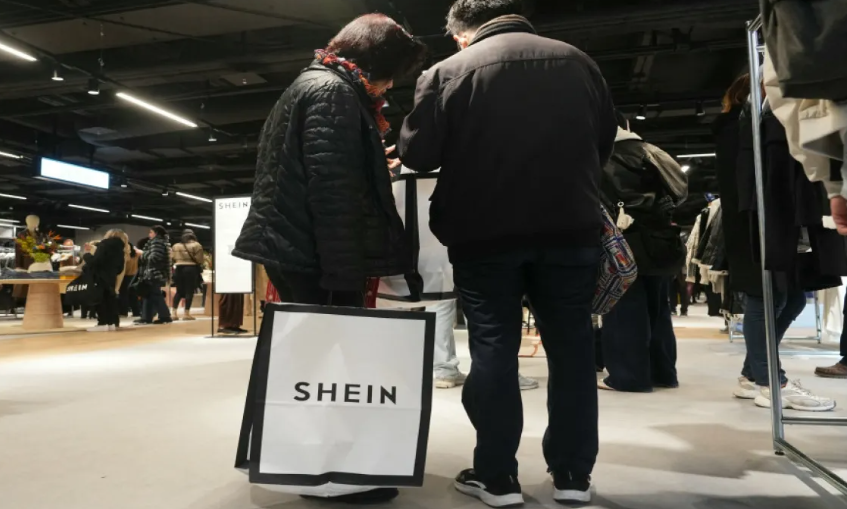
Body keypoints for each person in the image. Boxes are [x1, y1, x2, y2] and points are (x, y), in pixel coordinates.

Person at [396, 1, 617, 505]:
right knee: (573, 350)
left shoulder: (449, 71)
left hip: (484, 232)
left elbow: (417, 154)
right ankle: (572, 477)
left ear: (461, 34)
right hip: (570, 227)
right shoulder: (579, 61)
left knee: (494, 346)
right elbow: (602, 142)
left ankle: (497, 477)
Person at [232, 13, 426, 505]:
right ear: (376, 62)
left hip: (299, 246)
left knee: (308, 362)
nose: (389, 86)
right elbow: (332, 192)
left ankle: (306, 463)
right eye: (391, 75)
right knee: (328, 369)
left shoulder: (314, 84)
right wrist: (344, 273)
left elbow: (321, 172)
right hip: (315, 252)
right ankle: (331, 477)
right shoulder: (334, 93)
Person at [598, 111, 688, 393]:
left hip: (624, 242)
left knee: (624, 310)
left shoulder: (602, 155)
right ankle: (664, 373)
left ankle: (628, 377)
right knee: (659, 309)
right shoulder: (652, 151)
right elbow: (680, 192)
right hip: (660, 240)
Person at [83, 229, 130, 332]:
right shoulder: (121, 249)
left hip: (99, 276)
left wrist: (86, 255)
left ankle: (102, 323)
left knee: (100, 300)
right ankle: (110, 323)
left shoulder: (104, 244)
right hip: (111, 277)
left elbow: (95, 262)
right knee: (109, 300)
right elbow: (120, 268)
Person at [140, 226, 173, 325]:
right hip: (157, 273)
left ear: (156, 233)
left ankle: (165, 316)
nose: (149, 234)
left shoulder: (157, 242)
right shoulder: (163, 242)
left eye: (151, 232)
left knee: (155, 295)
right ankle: (146, 317)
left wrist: (141, 253)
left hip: (154, 273)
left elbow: (154, 258)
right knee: (149, 294)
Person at [171, 229, 204, 321]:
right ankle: (186, 314)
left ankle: (174, 313)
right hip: (191, 269)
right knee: (189, 291)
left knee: (179, 291)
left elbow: (172, 258)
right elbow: (200, 260)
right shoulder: (197, 245)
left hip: (178, 268)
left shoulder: (176, 246)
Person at [120, 242, 140, 318]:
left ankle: (123, 312)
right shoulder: (136, 255)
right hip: (134, 276)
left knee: (123, 295)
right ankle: (136, 312)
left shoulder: (125, 256)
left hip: (125, 276)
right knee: (133, 295)